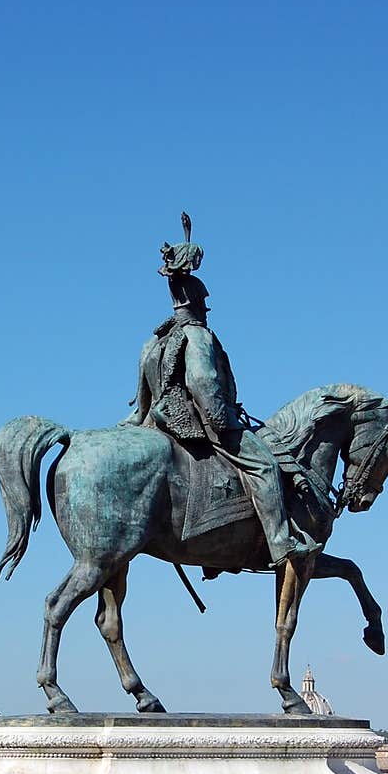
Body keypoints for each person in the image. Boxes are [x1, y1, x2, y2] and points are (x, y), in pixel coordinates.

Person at [123, 214, 319, 571]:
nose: (206, 310)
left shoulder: (154, 341)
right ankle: (280, 542)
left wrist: (137, 422)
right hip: (199, 420)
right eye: (205, 304)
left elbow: (141, 400)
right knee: (264, 464)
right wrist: (224, 420)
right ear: (198, 303)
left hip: (160, 421)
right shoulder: (198, 338)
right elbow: (203, 387)